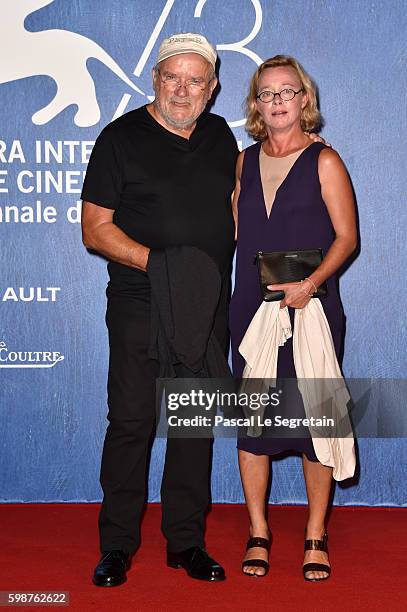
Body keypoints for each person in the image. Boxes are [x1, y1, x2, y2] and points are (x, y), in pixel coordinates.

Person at [81, 33, 238, 585]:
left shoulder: (221, 137)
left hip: (205, 306)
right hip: (139, 302)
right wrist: (166, 266)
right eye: (172, 77)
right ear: (155, 79)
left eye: (196, 80)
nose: (182, 90)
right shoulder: (119, 139)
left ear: (212, 88)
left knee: (193, 424)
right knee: (131, 421)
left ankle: (186, 543)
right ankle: (117, 545)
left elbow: (246, 207)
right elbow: (95, 231)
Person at [229, 55, 357, 580]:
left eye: (287, 91)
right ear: (256, 104)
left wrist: (309, 286)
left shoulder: (325, 161)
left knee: (316, 425)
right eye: (267, 93)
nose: (278, 101)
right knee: (253, 424)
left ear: (305, 97)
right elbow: (239, 231)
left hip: (312, 310)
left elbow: (347, 238)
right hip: (250, 311)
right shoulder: (242, 160)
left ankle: (315, 533)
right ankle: (258, 531)